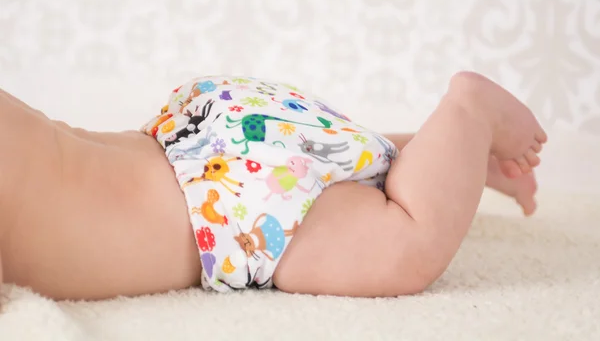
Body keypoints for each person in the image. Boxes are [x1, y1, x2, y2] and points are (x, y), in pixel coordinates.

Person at [0, 71, 546, 300]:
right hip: (200, 124)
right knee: (334, 165)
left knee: (403, 242)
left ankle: (469, 114)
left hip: (227, 211)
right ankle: (458, 156)